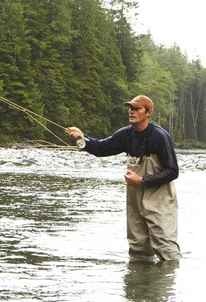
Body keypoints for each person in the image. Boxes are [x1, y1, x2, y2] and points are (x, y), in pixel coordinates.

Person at [65, 95, 182, 261]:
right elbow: (101, 148)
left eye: (136, 109)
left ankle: (167, 284)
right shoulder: (125, 134)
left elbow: (172, 171)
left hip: (159, 199)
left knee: (165, 247)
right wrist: (82, 138)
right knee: (137, 247)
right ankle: (138, 283)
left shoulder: (160, 136)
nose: (131, 112)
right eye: (130, 108)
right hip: (135, 198)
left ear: (149, 112)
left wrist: (141, 180)